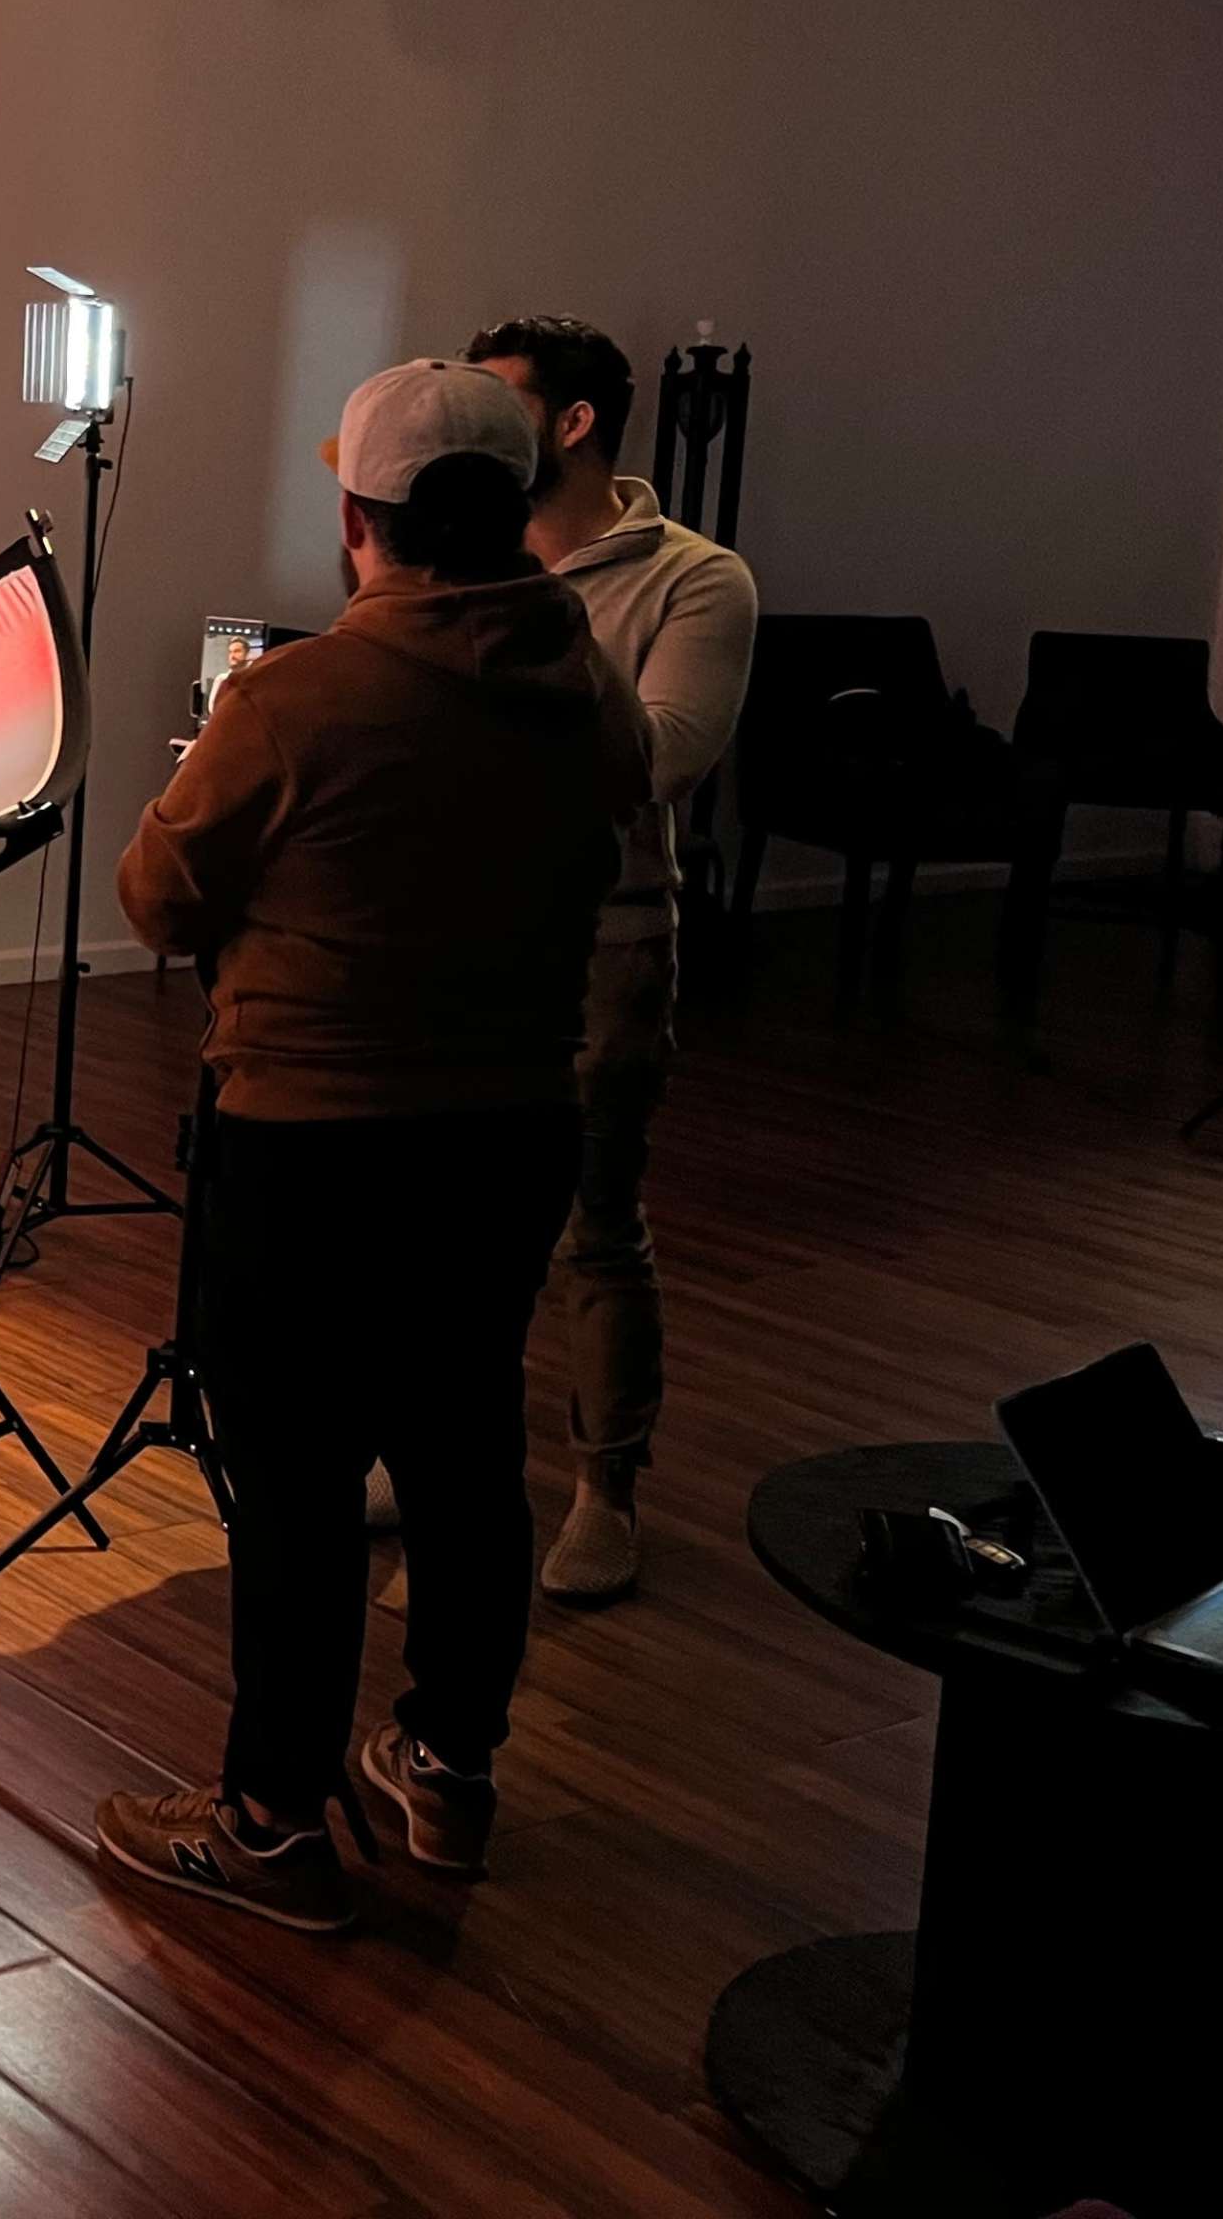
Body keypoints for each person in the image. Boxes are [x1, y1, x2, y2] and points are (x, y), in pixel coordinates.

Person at [92, 362, 646, 1933]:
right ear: (515, 507)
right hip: (515, 1132)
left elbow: (157, 899)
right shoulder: (588, 684)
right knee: (468, 1454)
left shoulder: (294, 699)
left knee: (299, 1486)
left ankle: (271, 1825)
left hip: (313, 1145)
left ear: (360, 517)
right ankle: (451, 1770)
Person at [465, 314, 757, 1603]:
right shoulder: (458, 558)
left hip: (606, 940)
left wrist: (523, 630)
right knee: (451, 1222)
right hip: (458, 934)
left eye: (499, 404)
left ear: (573, 422)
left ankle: (604, 1489)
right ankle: (439, 1456)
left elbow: (659, 758)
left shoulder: (698, 580)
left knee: (593, 1225)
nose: (473, 431)